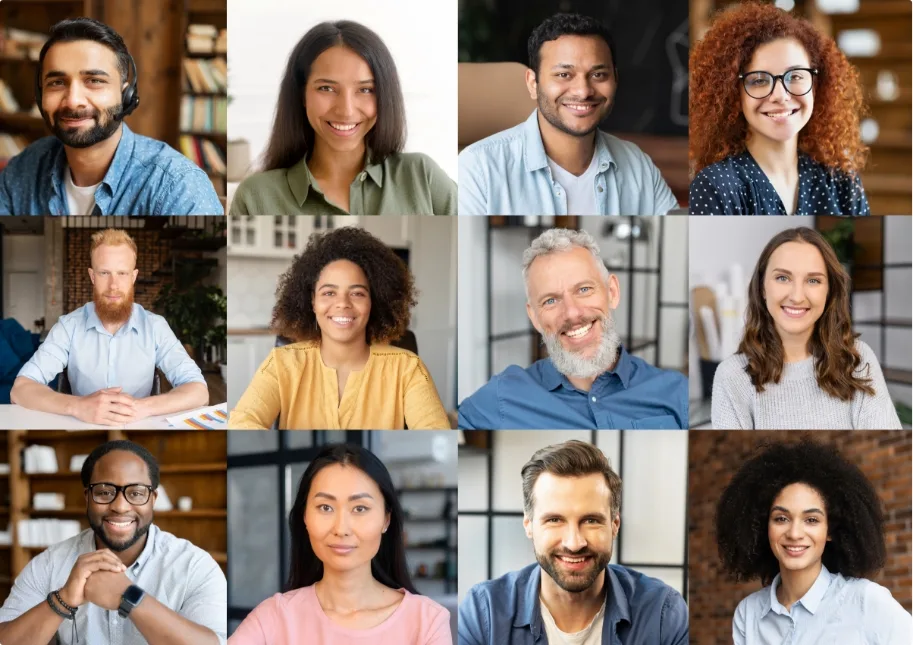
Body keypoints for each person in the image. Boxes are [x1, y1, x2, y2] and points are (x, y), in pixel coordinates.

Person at [460, 439, 688, 644]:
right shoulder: (484, 613)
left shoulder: (663, 614)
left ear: (614, 525)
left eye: (591, 520)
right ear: (529, 525)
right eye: (555, 519)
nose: (574, 543)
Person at [0, 440, 227, 644]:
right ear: (87, 497)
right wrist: (63, 599)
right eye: (105, 492)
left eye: (136, 493)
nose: (120, 506)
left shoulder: (195, 566)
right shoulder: (50, 563)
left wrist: (130, 597)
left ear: (153, 500)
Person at [458, 228, 687, 429]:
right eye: (550, 301)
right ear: (535, 317)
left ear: (612, 292)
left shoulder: (676, 392)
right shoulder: (503, 397)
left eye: (584, 289)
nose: (572, 313)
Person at [229, 443, 451, 644]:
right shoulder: (273, 617)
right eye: (325, 507)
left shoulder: (427, 621)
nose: (341, 529)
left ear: (386, 520)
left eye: (360, 509)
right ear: (305, 517)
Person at [229, 227, 449, 429]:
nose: (343, 303)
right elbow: (243, 422)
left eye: (357, 293)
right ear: (312, 302)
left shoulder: (408, 369)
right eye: (329, 292)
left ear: (374, 302)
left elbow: (434, 429)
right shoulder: (280, 364)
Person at [458, 13, 677, 216]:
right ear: (533, 83)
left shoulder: (637, 164)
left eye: (598, 74)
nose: (583, 91)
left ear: (615, 80)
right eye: (564, 74)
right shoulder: (479, 168)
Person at [0, 18, 222, 216]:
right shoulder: (21, 171)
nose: (73, 100)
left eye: (94, 81)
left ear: (126, 94)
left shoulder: (178, 186)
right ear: (41, 97)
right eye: (57, 83)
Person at [230, 20, 456, 215]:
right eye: (327, 88)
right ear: (302, 94)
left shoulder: (422, 177)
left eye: (366, 90)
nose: (346, 110)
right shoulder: (255, 197)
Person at [715, 439, 911, 644]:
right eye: (781, 518)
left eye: (811, 520)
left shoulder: (866, 601)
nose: (794, 533)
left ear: (830, 530)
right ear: (762, 525)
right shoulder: (748, 614)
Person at [11, 228, 209, 426]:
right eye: (104, 273)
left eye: (122, 273)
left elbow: (199, 391)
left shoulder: (155, 326)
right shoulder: (68, 326)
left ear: (133, 276)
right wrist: (78, 406)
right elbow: (21, 389)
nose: (113, 285)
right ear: (92, 276)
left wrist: (143, 407)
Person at [689, 2, 870, 215]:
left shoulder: (843, 183)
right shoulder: (714, 187)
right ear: (733, 93)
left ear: (817, 84)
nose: (780, 96)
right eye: (759, 81)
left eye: (794, 76)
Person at [712, 227, 899, 429]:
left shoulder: (858, 360)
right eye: (783, 278)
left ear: (829, 291)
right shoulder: (731, 376)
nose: (797, 296)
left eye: (813, 280)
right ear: (762, 288)